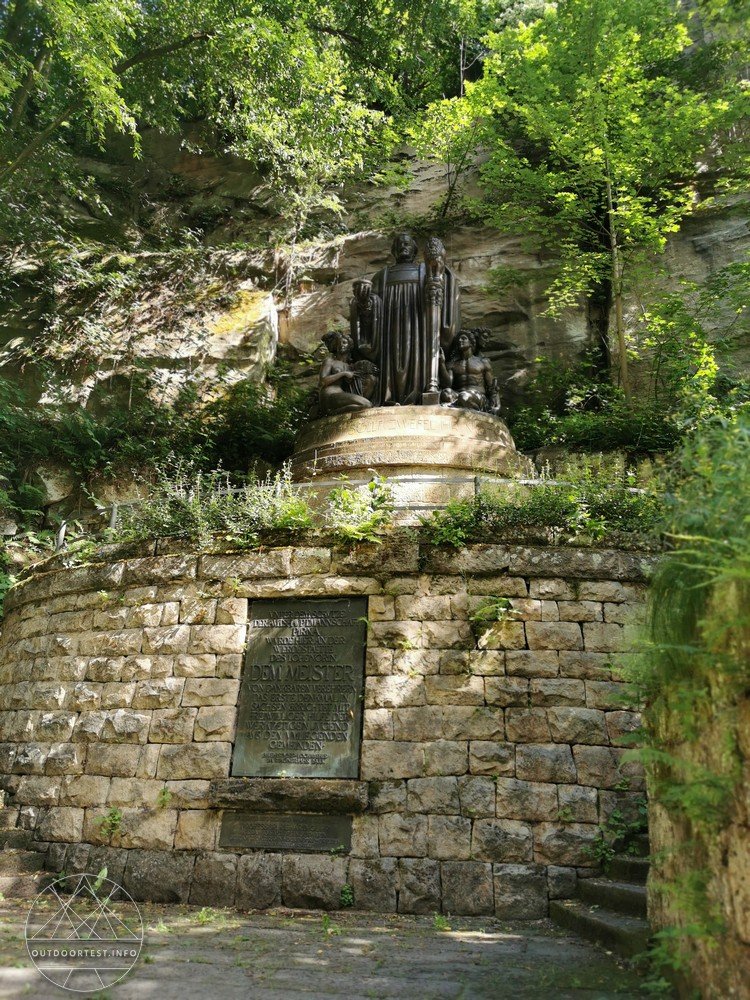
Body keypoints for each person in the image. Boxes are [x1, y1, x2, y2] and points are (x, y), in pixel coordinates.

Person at [369, 232, 460, 405]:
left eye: (407, 244)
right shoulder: (381, 277)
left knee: (418, 358)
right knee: (392, 360)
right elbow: (373, 307)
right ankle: (389, 398)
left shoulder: (425, 270)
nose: (403, 246)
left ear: (415, 250)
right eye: (400, 244)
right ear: (394, 251)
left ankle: (420, 394)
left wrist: (438, 278)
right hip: (391, 327)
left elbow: (443, 282)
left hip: (418, 326)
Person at [439, 329, 501, 415]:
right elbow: (448, 384)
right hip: (458, 394)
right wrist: (442, 364)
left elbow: (492, 387)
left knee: (464, 396)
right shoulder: (453, 364)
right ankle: (460, 405)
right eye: (459, 340)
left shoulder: (482, 362)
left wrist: (497, 405)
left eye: (464, 338)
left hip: (478, 396)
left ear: (471, 342)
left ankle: (462, 408)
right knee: (446, 393)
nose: (460, 341)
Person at [318, 330, 374, 415]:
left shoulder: (349, 366)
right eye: (339, 343)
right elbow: (322, 381)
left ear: (349, 346)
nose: (341, 345)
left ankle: (335, 412)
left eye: (344, 343)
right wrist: (343, 374)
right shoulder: (330, 361)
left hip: (341, 395)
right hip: (329, 396)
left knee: (367, 405)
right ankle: (331, 413)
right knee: (366, 405)